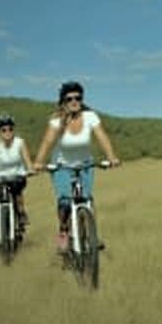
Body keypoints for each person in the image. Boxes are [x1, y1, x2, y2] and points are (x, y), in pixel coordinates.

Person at [33, 81, 120, 252]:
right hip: (61, 166)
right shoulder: (57, 121)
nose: (74, 101)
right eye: (69, 98)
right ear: (63, 102)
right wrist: (38, 162)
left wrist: (112, 157)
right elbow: (47, 141)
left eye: (78, 98)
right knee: (65, 201)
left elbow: (102, 137)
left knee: (87, 199)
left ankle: (91, 235)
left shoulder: (90, 117)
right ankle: (64, 232)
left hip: (85, 164)